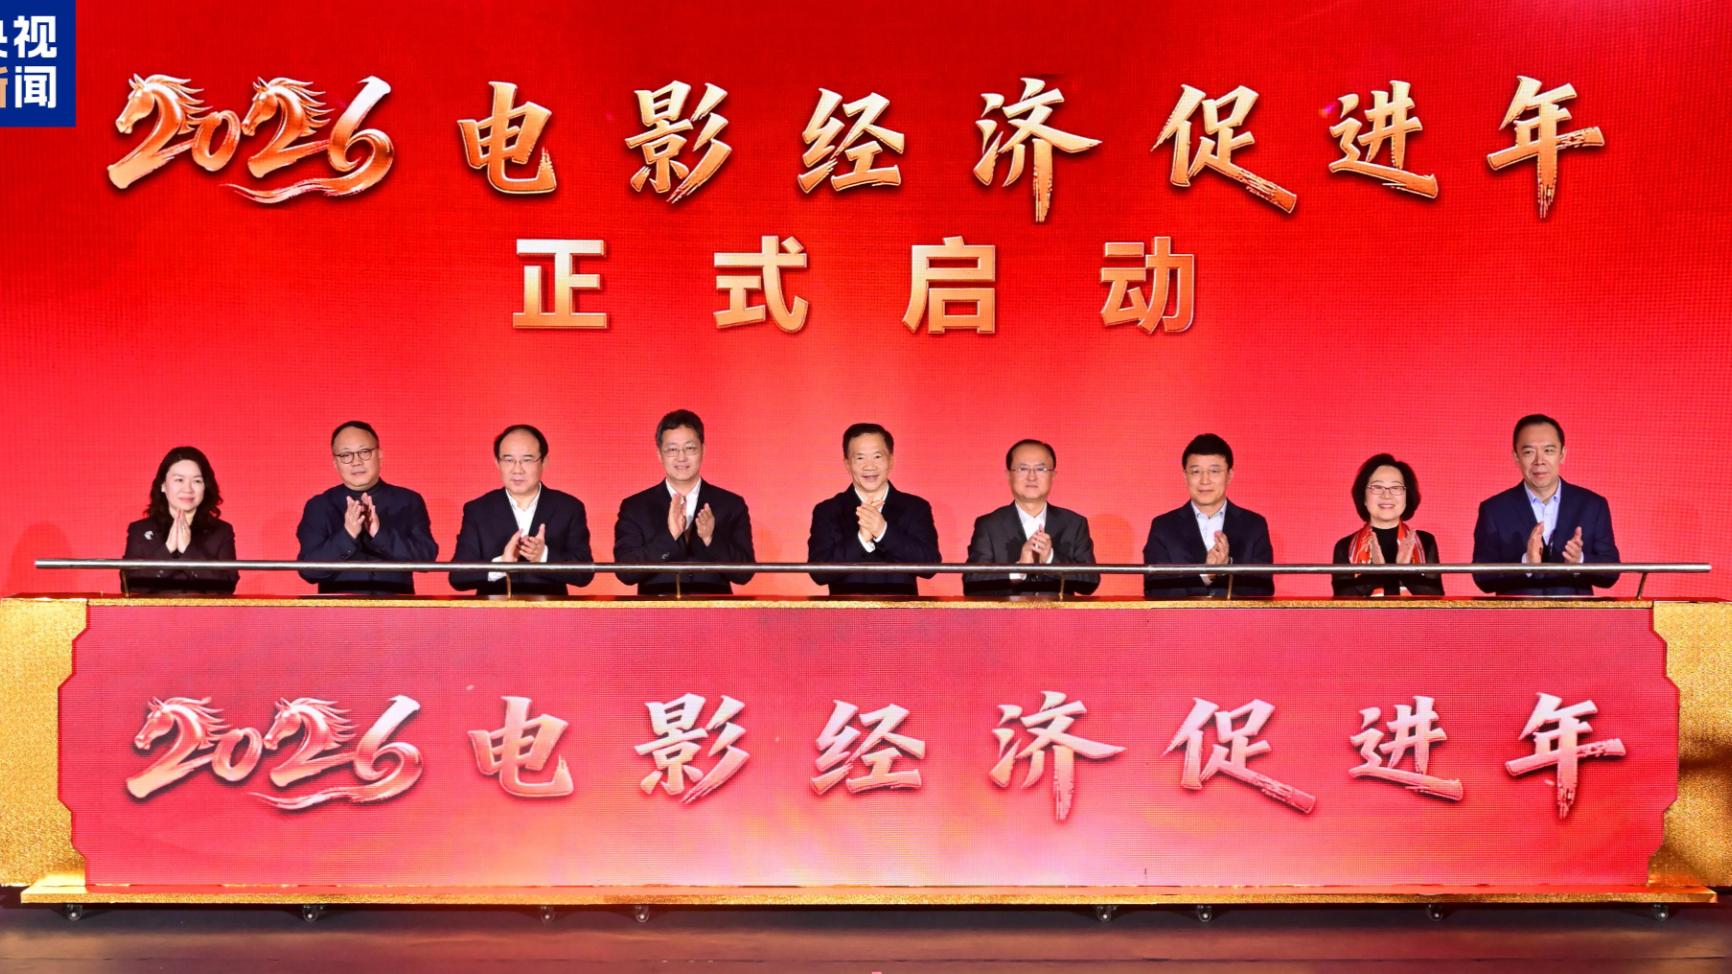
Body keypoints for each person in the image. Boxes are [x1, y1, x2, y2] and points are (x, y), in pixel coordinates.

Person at [1473, 414, 1620, 596]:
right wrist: (1525, 563)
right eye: (1528, 452)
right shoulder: (1494, 509)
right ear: (1516, 457)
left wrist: (1580, 561)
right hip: (1516, 614)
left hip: (1574, 613)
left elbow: (1612, 573)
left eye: (1548, 450)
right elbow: (1482, 577)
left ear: (1562, 454)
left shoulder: (1592, 505)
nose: (1539, 461)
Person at [613, 410, 755, 595]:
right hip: (657, 609)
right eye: (672, 449)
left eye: (690, 448)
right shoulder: (635, 507)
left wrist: (711, 539)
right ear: (659, 453)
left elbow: (745, 574)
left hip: (714, 609)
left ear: (703, 450)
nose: (681, 457)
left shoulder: (730, 504)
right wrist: (670, 536)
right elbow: (625, 573)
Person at [296, 421, 438, 595]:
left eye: (364, 452)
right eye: (345, 455)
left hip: (397, 607)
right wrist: (347, 535)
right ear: (335, 463)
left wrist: (379, 535)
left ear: (379, 454)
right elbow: (309, 571)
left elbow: (426, 558)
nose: (356, 462)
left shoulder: (407, 500)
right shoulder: (320, 506)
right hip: (339, 608)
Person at [449, 425, 593, 596]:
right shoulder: (478, 509)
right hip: (493, 610)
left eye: (527, 460)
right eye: (508, 460)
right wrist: (500, 565)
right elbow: (458, 577)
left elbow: (585, 574)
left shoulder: (568, 507)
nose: (517, 470)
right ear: (497, 462)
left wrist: (543, 557)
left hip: (550, 610)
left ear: (544, 462)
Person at [808, 423, 940, 596]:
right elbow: (818, 573)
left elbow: (930, 566)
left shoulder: (915, 507)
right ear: (847, 464)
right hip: (846, 611)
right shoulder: (828, 511)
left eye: (877, 457)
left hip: (901, 610)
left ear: (891, 461)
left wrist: (883, 531)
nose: (869, 466)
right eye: (860, 458)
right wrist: (861, 539)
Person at [1142, 434, 1274, 598]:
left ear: (1230, 475)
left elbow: (1264, 589)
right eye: (1196, 471)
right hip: (1182, 615)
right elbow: (1154, 590)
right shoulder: (1164, 526)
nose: (1205, 480)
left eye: (1214, 471)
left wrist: (1226, 568)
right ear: (1185, 475)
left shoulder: (1253, 525)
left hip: (1235, 615)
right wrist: (1205, 575)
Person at [963, 439, 1099, 596]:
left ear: (1053, 475)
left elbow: (1090, 583)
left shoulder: (1074, 523)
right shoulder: (989, 525)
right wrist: (1019, 569)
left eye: (1041, 469)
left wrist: (1050, 559)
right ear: (1008, 475)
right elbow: (972, 584)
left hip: (1058, 612)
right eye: (1023, 469)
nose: (1032, 477)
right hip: (1007, 612)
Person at [122, 446, 239, 595]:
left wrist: (188, 552)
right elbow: (130, 586)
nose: (188, 489)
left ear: (205, 486)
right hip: (154, 611)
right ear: (163, 484)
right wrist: (167, 549)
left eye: (197, 481)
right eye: (179, 480)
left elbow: (226, 588)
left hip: (204, 611)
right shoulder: (140, 530)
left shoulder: (221, 531)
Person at [1331, 454, 1443, 597]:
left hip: (1410, 613)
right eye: (1377, 487)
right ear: (1364, 497)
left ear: (1407, 497)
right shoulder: (1345, 545)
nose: (1387, 495)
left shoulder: (1424, 541)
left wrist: (1406, 571)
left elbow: (1436, 597)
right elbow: (1341, 599)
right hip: (1366, 614)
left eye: (1396, 488)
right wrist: (1375, 572)